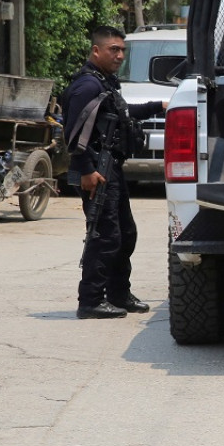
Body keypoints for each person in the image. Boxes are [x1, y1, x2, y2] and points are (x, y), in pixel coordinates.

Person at [61, 26, 166, 320]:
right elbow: (72, 133)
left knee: (125, 234)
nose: (120, 55)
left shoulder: (104, 83)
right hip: (96, 170)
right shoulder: (87, 86)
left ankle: (118, 293)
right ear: (96, 51)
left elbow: (122, 112)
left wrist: (159, 105)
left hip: (111, 169)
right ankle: (91, 301)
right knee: (104, 235)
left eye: (122, 50)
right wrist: (86, 171)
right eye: (113, 50)